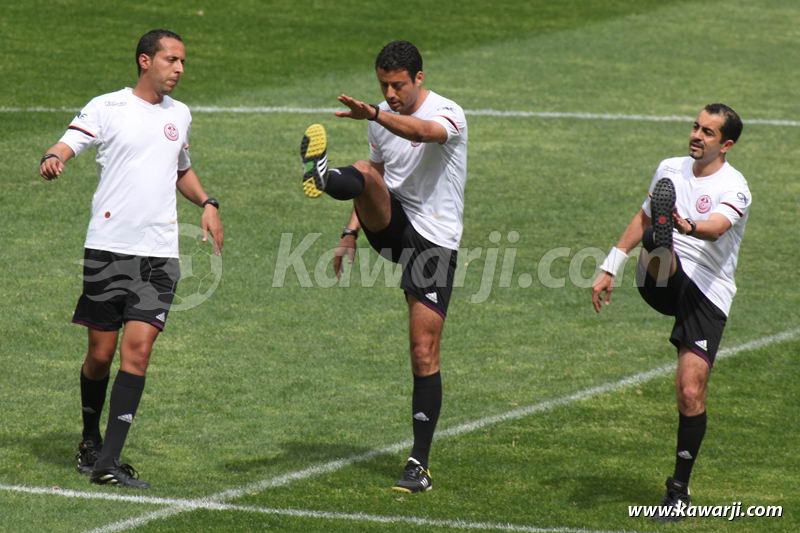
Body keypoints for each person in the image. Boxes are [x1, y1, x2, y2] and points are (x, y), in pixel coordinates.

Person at [38, 29, 223, 489]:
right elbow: (70, 141)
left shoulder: (180, 114)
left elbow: (180, 168)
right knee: (100, 355)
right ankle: (89, 439)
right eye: (171, 60)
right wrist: (54, 156)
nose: (179, 69)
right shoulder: (108, 106)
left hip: (159, 254)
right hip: (108, 247)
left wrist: (207, 202)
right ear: (145, 61)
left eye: (182, 61)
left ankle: (109, 461)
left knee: (137, 351)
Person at [299, 40, 467, 493]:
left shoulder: (449, 112)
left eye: (397, 86)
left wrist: (376, 114)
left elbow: (422, 134)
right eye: (383, 86)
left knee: (422, 351)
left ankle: (419, 463)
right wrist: (350, 233)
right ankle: (323, 177)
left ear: (419, 79)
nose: (389, 94)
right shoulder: (379, 118)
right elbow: (374, 177)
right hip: (393, 226)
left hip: (434, 241)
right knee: (362, 171)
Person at [591, 104, 750, 520]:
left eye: (708, 133)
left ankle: (678, 489)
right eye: (696, 127)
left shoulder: (735, 187)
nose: (697, 135)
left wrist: (686, 226)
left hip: (708, 293)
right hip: (663, 277)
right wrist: (611, 263)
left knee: (690, 392)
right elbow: (642, 216)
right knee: (657, 240)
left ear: (727, 144)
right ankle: (658, 245)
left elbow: (716, 227)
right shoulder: (670, 169)